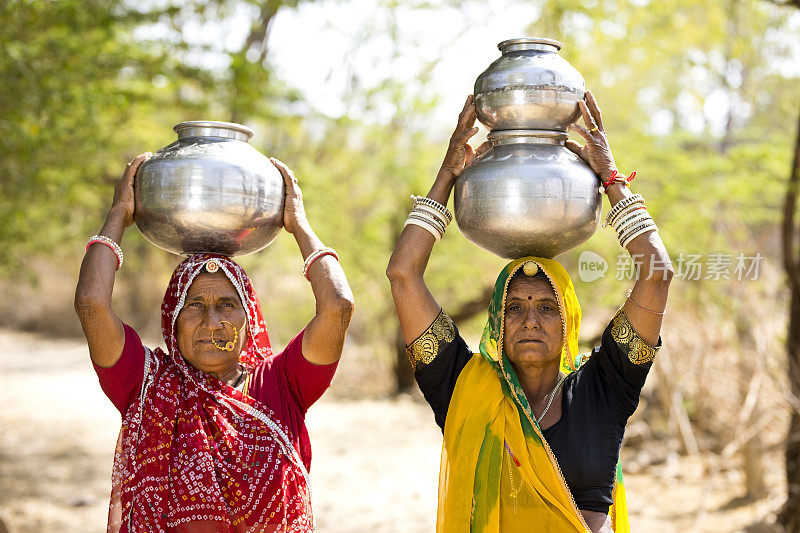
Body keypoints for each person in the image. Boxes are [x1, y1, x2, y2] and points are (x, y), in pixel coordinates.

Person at [386, 92, 672, 533]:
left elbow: (657, 274)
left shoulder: (604, 385)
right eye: (515, 307)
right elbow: (403, 274)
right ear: (497, 322)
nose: (530, 321)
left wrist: (610, 177)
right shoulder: (464, 386)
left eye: (546, 307)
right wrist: (447, 175)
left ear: (569, 320)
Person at [75, 154, 354, 532]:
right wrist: (118, 215)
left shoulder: (281, 384)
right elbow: (92, 304)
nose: (213, 323)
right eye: (195, 306)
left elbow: (337, 306)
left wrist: (300, 226)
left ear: (249, 317)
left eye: (227, 305)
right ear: (173, 320)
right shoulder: (146, 384)